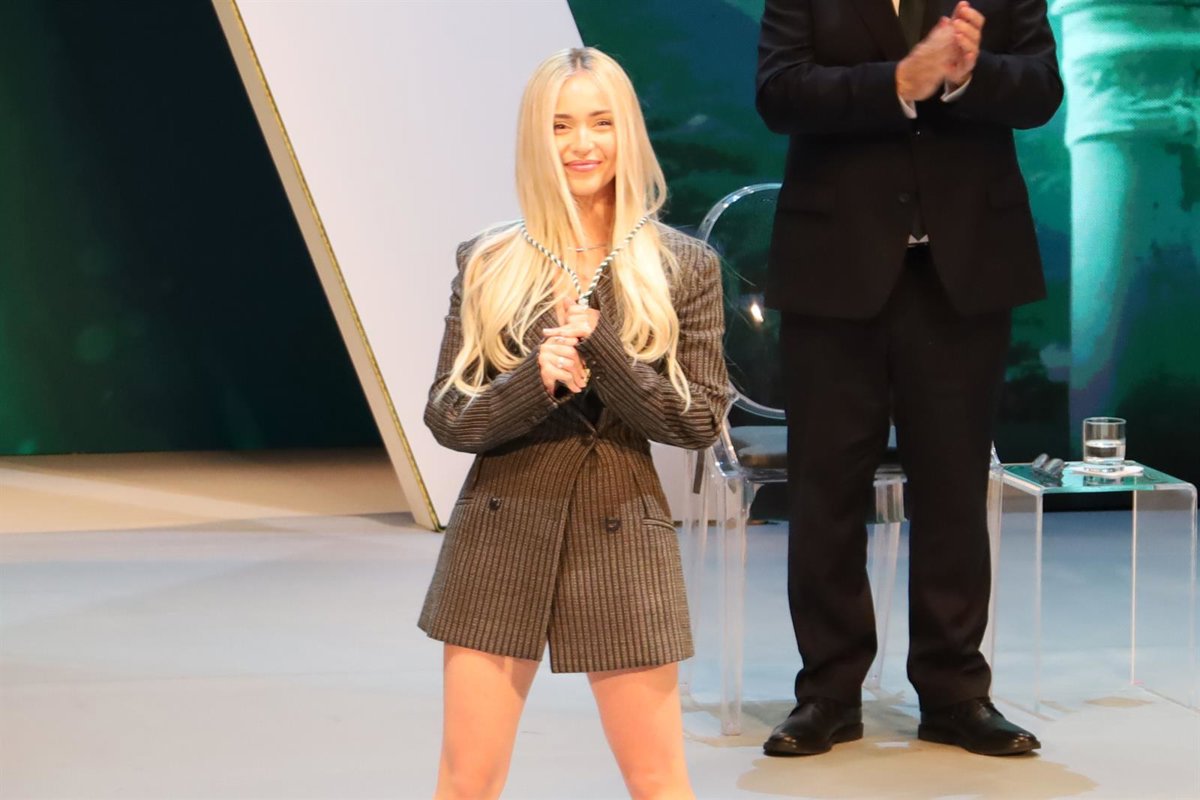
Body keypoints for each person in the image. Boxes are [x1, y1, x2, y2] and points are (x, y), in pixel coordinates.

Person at [419, 47, 728, 800]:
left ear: (628, 132)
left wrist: (605, 354)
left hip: (622, 528)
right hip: (500, 529)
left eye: (600, 122)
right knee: (466, 781)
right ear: (536, 137)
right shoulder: (490, 260)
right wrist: (535, 379)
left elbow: (697, 420)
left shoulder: (682, 265)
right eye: (560, 125)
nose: (582, 144)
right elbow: (449, 416)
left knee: (658, 780)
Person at [755, 0, 1062, 757]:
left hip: (964, 270)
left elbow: (1041, 89)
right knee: (826, 490)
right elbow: (780, 93)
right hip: (834, 267)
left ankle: (955, 693)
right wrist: (896, 80)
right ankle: (828, 692)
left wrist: (969, 74)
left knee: (954, 489)